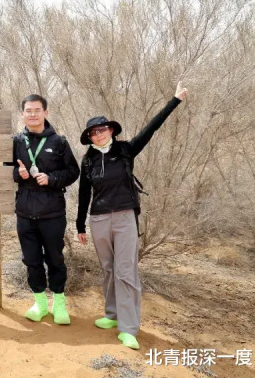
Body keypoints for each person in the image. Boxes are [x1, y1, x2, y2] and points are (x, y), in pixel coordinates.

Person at [76, 82, 188, 350]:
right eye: (93, 132)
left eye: (102, 129)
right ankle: (112, 314)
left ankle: (128, 328)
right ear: (89, 137)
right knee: (107, 268)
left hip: (125, 217)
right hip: (99, 219)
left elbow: (152, 128)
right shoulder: (88, 160)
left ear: (111, 130)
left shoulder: (125, 150)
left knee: (125, 270)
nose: (98, 135)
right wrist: (80, 225)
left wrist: (175, 100)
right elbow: (83, 193)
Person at [13, 94, 80, 324]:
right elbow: (5, 169)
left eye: (37, 110)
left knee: (55, 259)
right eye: (28, 110)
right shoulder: (17, 142)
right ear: (22, 114)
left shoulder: (58, 142)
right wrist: (18, 174)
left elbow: (73, 171)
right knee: (31, 260)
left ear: (45, 113)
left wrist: (52, 179)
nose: (32, 114)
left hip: (52, 213)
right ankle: (40, 304)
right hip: (25, 213)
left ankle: (59, 304)